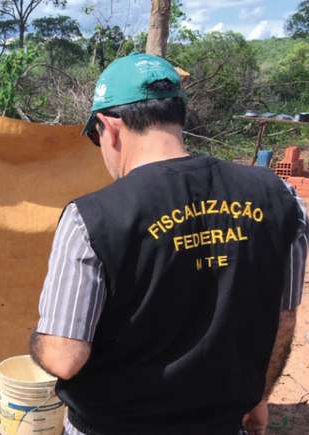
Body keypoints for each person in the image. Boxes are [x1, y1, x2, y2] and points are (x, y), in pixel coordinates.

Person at [29, 52, 307, 435]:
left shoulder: (91, 219)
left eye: (96, 138)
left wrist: (38, 341)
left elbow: (65, 357)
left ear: (109, 127)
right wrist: (259, 396)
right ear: (178, 117)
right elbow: (284, 318)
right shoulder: (281, 198)